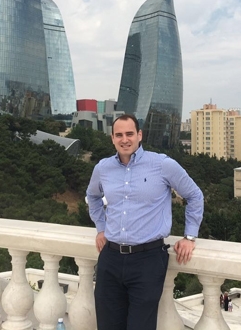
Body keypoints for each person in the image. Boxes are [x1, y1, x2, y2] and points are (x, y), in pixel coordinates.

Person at [86, 114, 204, 330]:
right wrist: (101, 228)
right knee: (107, 325)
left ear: (139, 135)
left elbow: (195, 195)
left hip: (147, 260)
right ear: (112, 138)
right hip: (110, 259)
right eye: (119, 135)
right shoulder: (103, 168)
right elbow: (92, 196)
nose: (125, 139)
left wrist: (190, 236)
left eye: (129, 134)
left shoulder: (162, 164)